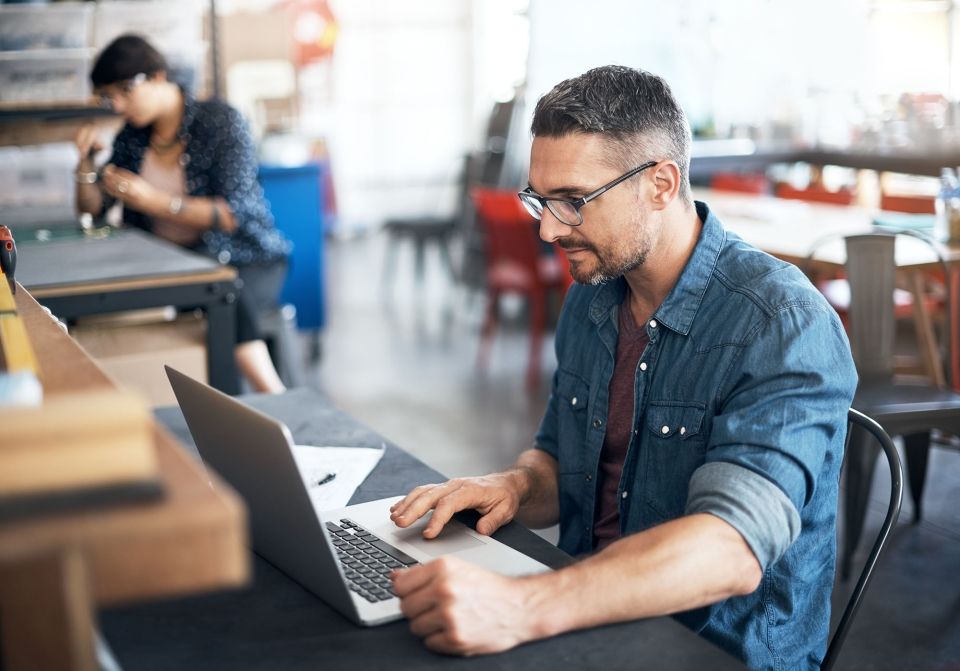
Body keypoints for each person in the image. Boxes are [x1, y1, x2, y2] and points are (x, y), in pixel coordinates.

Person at [387, 65, 858, 670]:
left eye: (573, 202)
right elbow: (562, 459)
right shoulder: (594, 294)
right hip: (588, 620)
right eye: (540, 200)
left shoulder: (782, 325)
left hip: (708, 650)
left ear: (661, 184)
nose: (551, 229)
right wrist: (514, 485)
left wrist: (522, 605)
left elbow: (730, 549)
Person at [74, 34, 291, 393]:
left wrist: (152, 201)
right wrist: (85, 165)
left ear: (159, 76)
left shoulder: (219, 121)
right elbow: (93, 211)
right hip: (173, 261)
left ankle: (269, 394)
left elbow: (234, 215)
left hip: (246, 256)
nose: (118, 105)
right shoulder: (133, 136)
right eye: (108, 96)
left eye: (125, 90)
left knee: (223, 286)